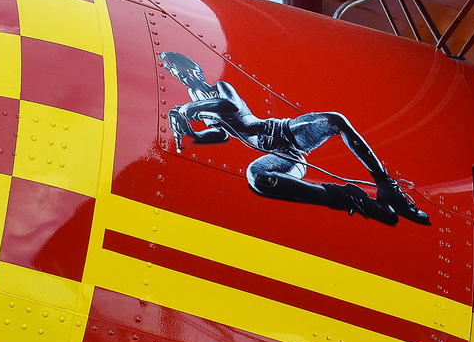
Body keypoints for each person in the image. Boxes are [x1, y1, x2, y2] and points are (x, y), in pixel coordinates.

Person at [159, 51, 430, 227]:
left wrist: (189, 110)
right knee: (257, 177)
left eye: (180, 70)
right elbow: (220, 132)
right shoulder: (197, 101)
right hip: (280, 156)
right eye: (174, 73)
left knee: (335, 120)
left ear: (194, 70)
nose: (179, 76)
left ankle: (386, 186)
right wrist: (192, 135)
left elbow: (229, 108)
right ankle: (347, 198)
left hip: (281, 132)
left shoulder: (218, 88)